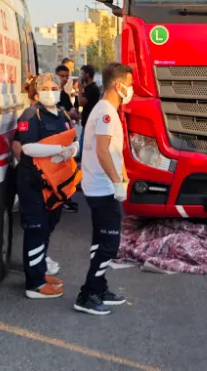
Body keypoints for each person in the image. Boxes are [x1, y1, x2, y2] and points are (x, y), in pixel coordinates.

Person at [75, 62, 133, 316]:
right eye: (129, 85)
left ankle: (99, 287)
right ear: (118, 85)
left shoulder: (106, 110)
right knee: (109, 243)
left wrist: (123, 175)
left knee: (101, 240)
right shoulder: (106, 113)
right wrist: (116, 181)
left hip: (102, 185)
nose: (131, 90)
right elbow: (101, 151)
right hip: (101, 188)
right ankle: (87, 295)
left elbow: (112, 151)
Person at [12, 74, 76, 297]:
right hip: (34, 182)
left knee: (47, 227)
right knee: (36, 230)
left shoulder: (61, 114)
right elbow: (28, 148)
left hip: (54, 183)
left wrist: (72, 149)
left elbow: (72, 138)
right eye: (46, 88)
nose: (52, 91)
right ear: (37, 94)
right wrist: (60, 150)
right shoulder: (31, 115)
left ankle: (39, 271)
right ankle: (35, 284)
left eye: (55, 87)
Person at [55, 63, 80, 214]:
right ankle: (61, 199)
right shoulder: (51, 94)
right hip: (53, 139)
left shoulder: (63, 95)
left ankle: (66, 198)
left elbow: (71, 111)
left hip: (65, 138)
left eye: (66, 76)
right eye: (61, 76)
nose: (64, 79)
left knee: (67, 170)